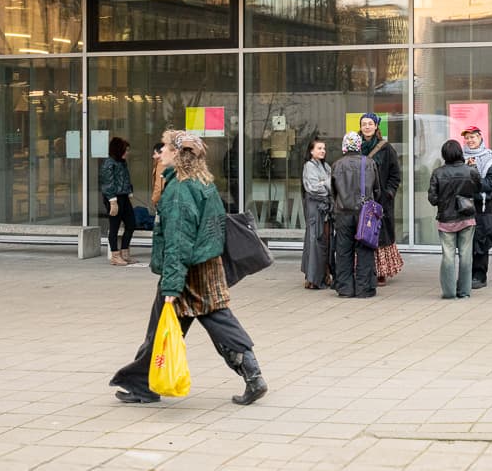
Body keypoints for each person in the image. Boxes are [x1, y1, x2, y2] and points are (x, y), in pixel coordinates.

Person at [109, 130, 267, 406]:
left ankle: (145, 385)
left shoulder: (180, 190)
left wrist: (171, 286)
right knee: (213, 321)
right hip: (205, 267)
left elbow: (178, 241)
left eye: (165, 147)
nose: (160, 152)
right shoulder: (202, 182)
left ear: (177, 154)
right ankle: (252, 376)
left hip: (185, 272)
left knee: (165, 328)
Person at [427, 139, 480, 299]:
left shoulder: (438, 173)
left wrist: (443, 201)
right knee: (466, 256)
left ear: (444, 155)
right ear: (460, 153)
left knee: (448, 256)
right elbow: (478, 188)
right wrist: (473, 168)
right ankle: (464, 291)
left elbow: (432, 199)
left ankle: (449, 292)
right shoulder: (470, 171)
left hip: (446, 220)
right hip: (467, 218)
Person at [358, 114, 404, 284]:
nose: (367, 127)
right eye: (364, 124)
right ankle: (362, 270)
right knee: (361, 232)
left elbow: (395, 175)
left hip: (381, 200)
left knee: (379, 234)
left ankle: (380, 272)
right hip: (360, 199)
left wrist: (389, 193)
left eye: (370, 124)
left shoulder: (386, 148)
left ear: (376, 126)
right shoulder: (355, 147)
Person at [330, 131, 377, 298]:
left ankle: (345, 288)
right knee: (365, 250)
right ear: (359, 145)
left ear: (344, 146)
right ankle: (364, 288)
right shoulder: (369, 163)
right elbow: (376, 189)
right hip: (364, 213)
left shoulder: (337, 165)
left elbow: (333, 192)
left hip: (343, 213)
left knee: (343, 251)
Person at [459, 126, 492, 289]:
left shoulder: (489, 157)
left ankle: (480, 276)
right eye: (467, 138)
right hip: (463, 206)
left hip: (483, 206)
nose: (469, 141)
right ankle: (466, 275)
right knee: (465, 242)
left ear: (480, 138)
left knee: (482, 240)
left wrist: (473, 180)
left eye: (473, 137)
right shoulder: (460, 157)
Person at [300, 137, 332, 290]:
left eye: (324, 148)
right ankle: (313, 278)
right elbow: (313, 188)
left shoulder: (326, 166)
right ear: (311, 151)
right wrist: (326, 184)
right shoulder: (309, 166)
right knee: (314, 241)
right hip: (314, 208)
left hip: (325, 209)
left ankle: (323, 275)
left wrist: (323, 183)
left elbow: (332, 185)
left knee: (325, 241)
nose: (322, 151)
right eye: (319, 148)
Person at [100, 136, 136, 267]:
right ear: (119, 150)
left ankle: (124, 253)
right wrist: (112, 201)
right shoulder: (109, 163)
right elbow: (107, 183)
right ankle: (115, 256)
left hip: (124, 196)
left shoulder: (122, 162)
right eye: (126, 150)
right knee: (114, 227)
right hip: (114, 198)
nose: (127, 152)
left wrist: (129, 192)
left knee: (131, 224)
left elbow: (126, 178)